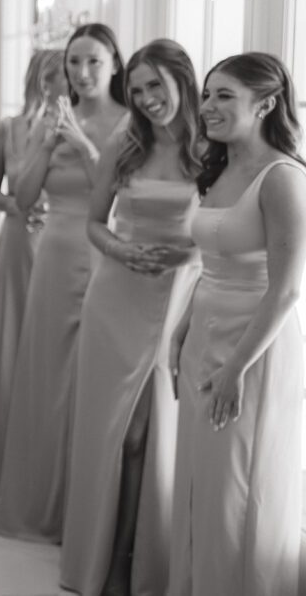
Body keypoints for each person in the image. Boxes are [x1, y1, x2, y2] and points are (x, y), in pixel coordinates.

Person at [60, 39, 201, 595]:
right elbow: (96, 223)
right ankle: (108, 560)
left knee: (150, 434)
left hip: (179, 297)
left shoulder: (212, 146)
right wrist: (121, 251)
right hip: (116, 295)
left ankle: (140, 558)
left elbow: (226, 228)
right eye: (138, 89)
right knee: (114, 434)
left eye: (155, 86)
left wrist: (189, 257)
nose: (145, 99)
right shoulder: (127, 141)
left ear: (182, 81)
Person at [169, 53, 306, 596]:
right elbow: (210, 262)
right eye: (207, 95)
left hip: (253, 345)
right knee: (200, 479)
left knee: (236, 485)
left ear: (266, 103)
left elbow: (289, 288)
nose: (208, 107)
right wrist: (182, 327)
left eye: (224, 95)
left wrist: (235, 370)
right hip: (204, 330)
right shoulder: (220, 168)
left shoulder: (283, 179)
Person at [0, 23, 129, 543]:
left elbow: (118, 197)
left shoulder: (129, 122)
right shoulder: (50, 117)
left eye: (93, 61)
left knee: (93, 381)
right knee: (48, 378)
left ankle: (87, 512)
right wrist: (50, 142)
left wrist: (85, 145)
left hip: (104, 255)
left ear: (114, 63)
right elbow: (24, 197)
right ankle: (40, 508)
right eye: (74, 61)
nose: (82, 72)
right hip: (53, 254)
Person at [0, 49, 63, 501]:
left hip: (64, 246)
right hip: (17, 245)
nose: (58, 85)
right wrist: (14, 204)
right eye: (49, 77)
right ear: (35, 80)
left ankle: (51, 473)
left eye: (63, 76)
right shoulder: (9, 129)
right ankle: (2, 475)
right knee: (12, 350)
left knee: (55, 353)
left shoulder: (80, 130)